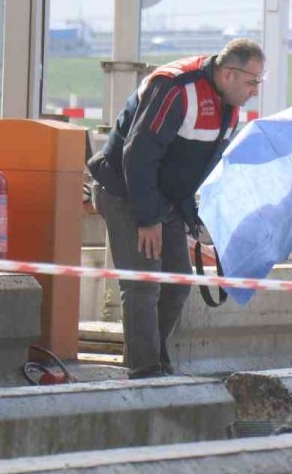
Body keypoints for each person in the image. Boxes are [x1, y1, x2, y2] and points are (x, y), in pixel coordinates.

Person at [87, 39, 264, 378]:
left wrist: (188, 215)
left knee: (178, 283)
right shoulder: (176, 88)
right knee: (143, 284)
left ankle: (153, 357)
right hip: (126, 191)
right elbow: (138, 155)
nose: (255, 90)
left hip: (164, 198)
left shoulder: (229, 102)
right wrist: (148, 218)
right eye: (252, 82)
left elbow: (197, 164)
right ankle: (146, 370)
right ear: (229, 74)